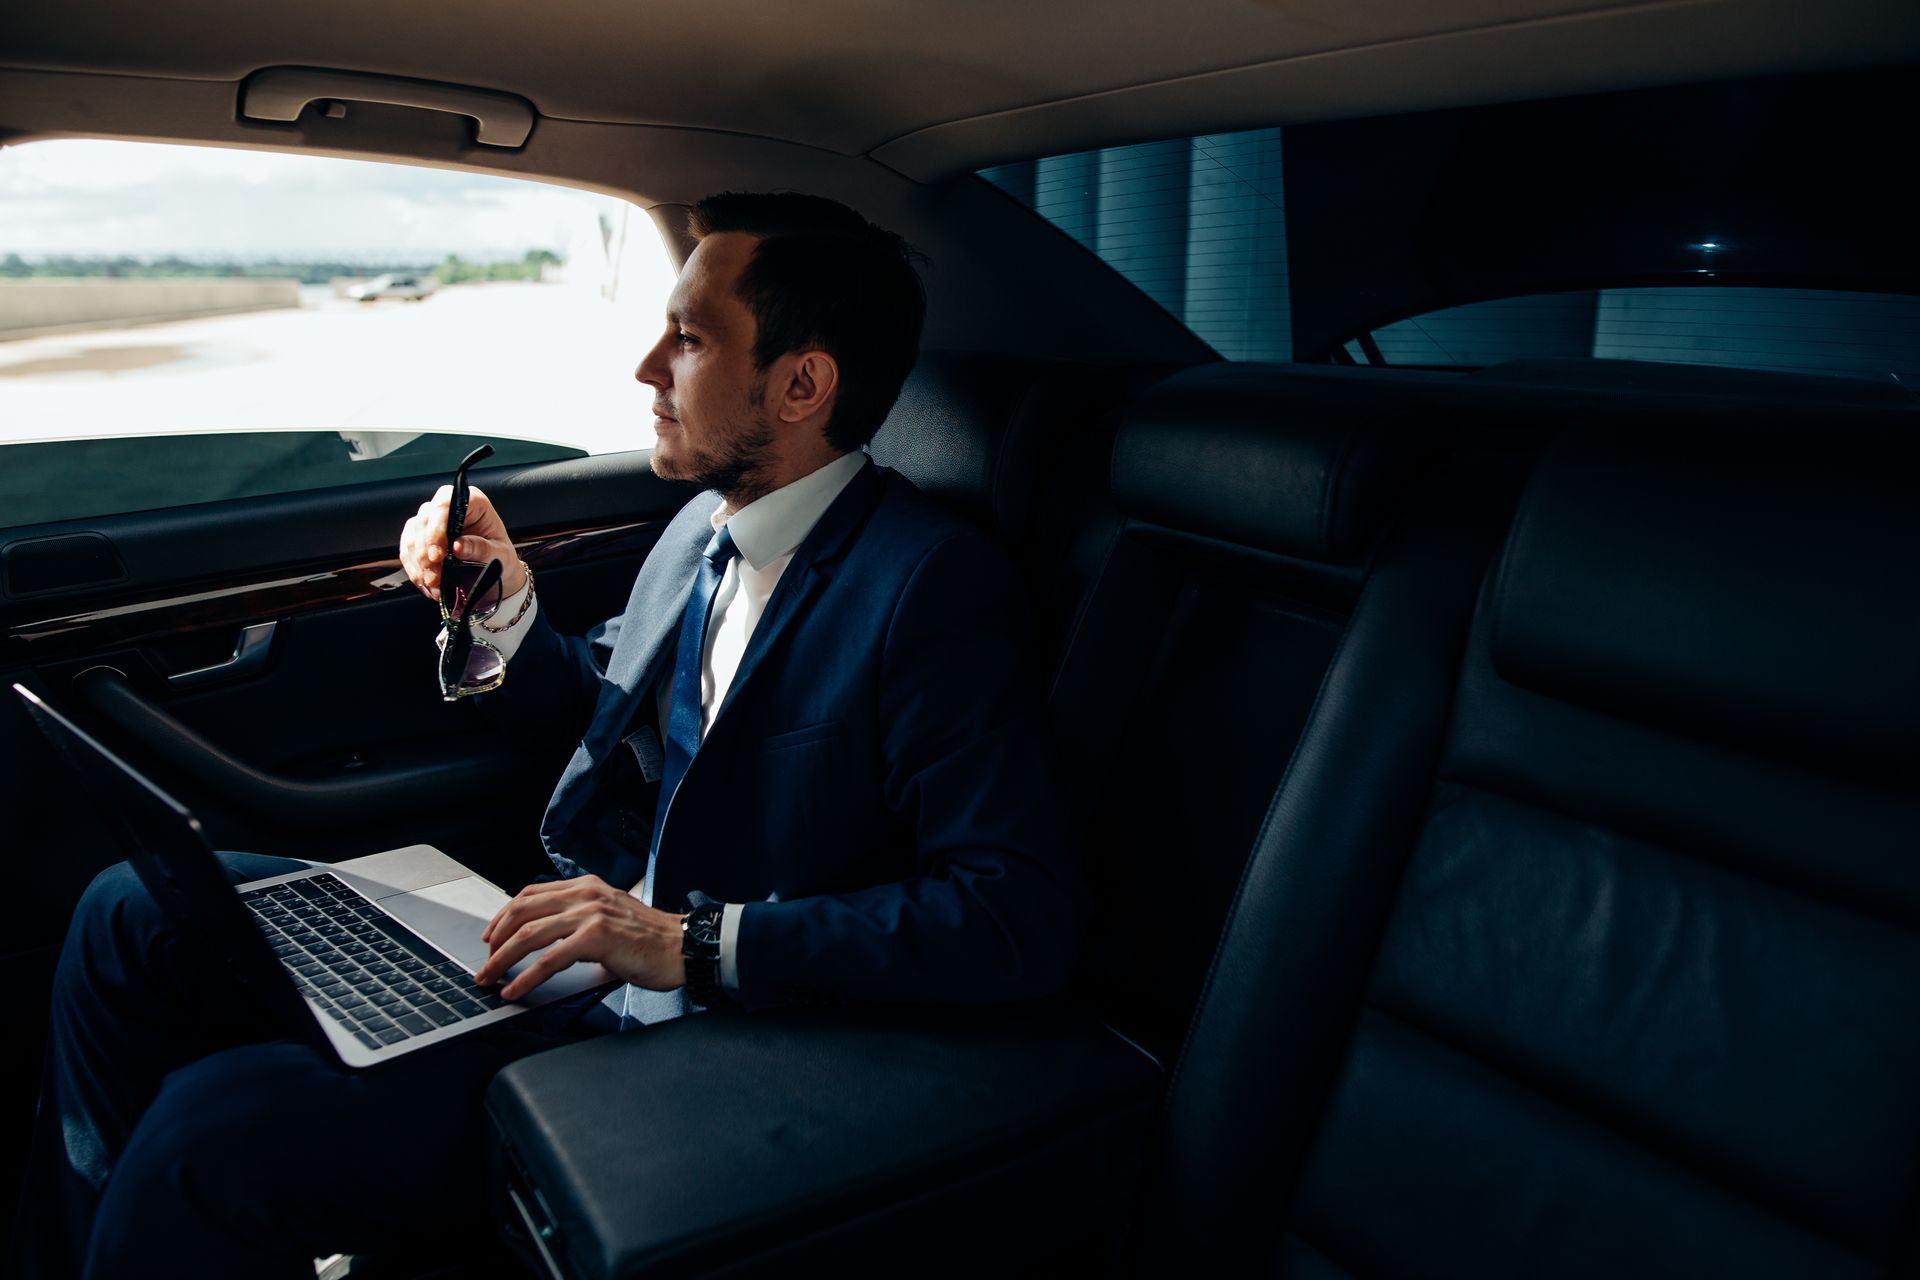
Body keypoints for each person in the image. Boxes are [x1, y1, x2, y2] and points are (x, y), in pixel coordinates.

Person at [8, 192, 1086, 1278]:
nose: (647, 367)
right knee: (124, 909)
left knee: (211, 1131)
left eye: (691, 338)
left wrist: (690, 940)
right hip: (561, 949)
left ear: (802, 384)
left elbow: (1013, 909)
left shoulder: (931, 585)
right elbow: (607, 719)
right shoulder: (697, 533)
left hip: (691, 1026)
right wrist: (502, 603)